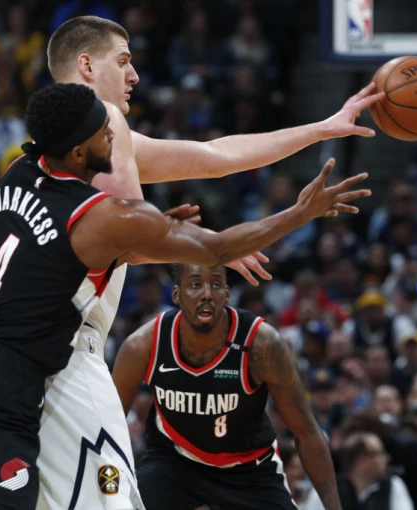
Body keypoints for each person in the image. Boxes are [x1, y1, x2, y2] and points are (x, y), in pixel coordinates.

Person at [0, 83, 370, 510]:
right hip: (2, 384)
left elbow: (58, 254)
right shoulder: (105, 216)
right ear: (78, 153)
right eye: (103, 132)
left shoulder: (17, 173)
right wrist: (301, 212)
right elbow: (216, 250)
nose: (113, 135)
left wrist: (151, 234)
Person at [37, 15, 383, 509]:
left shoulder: (55, 146)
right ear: (87, 66)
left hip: (33, 348)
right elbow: (130, 238)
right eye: (123, 61)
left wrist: (323, 128)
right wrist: (216, 246)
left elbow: (216, 155)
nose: (135, 75)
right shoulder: (105, 120)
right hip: (64, 351)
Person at [111, 263, 342, 510]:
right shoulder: (143, 345)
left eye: (216, 284)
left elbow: (306, 432)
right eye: (195, 284)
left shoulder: (261, 344)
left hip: (248, 471)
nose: (207, 294)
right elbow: (107, 427)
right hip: (173, 463)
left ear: (227, 294)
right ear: (176, 295)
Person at [304, 432, 414, 510]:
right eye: (379, 454)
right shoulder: (328, 489)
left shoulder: (394, 485)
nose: (386, 458)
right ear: (361, 460)